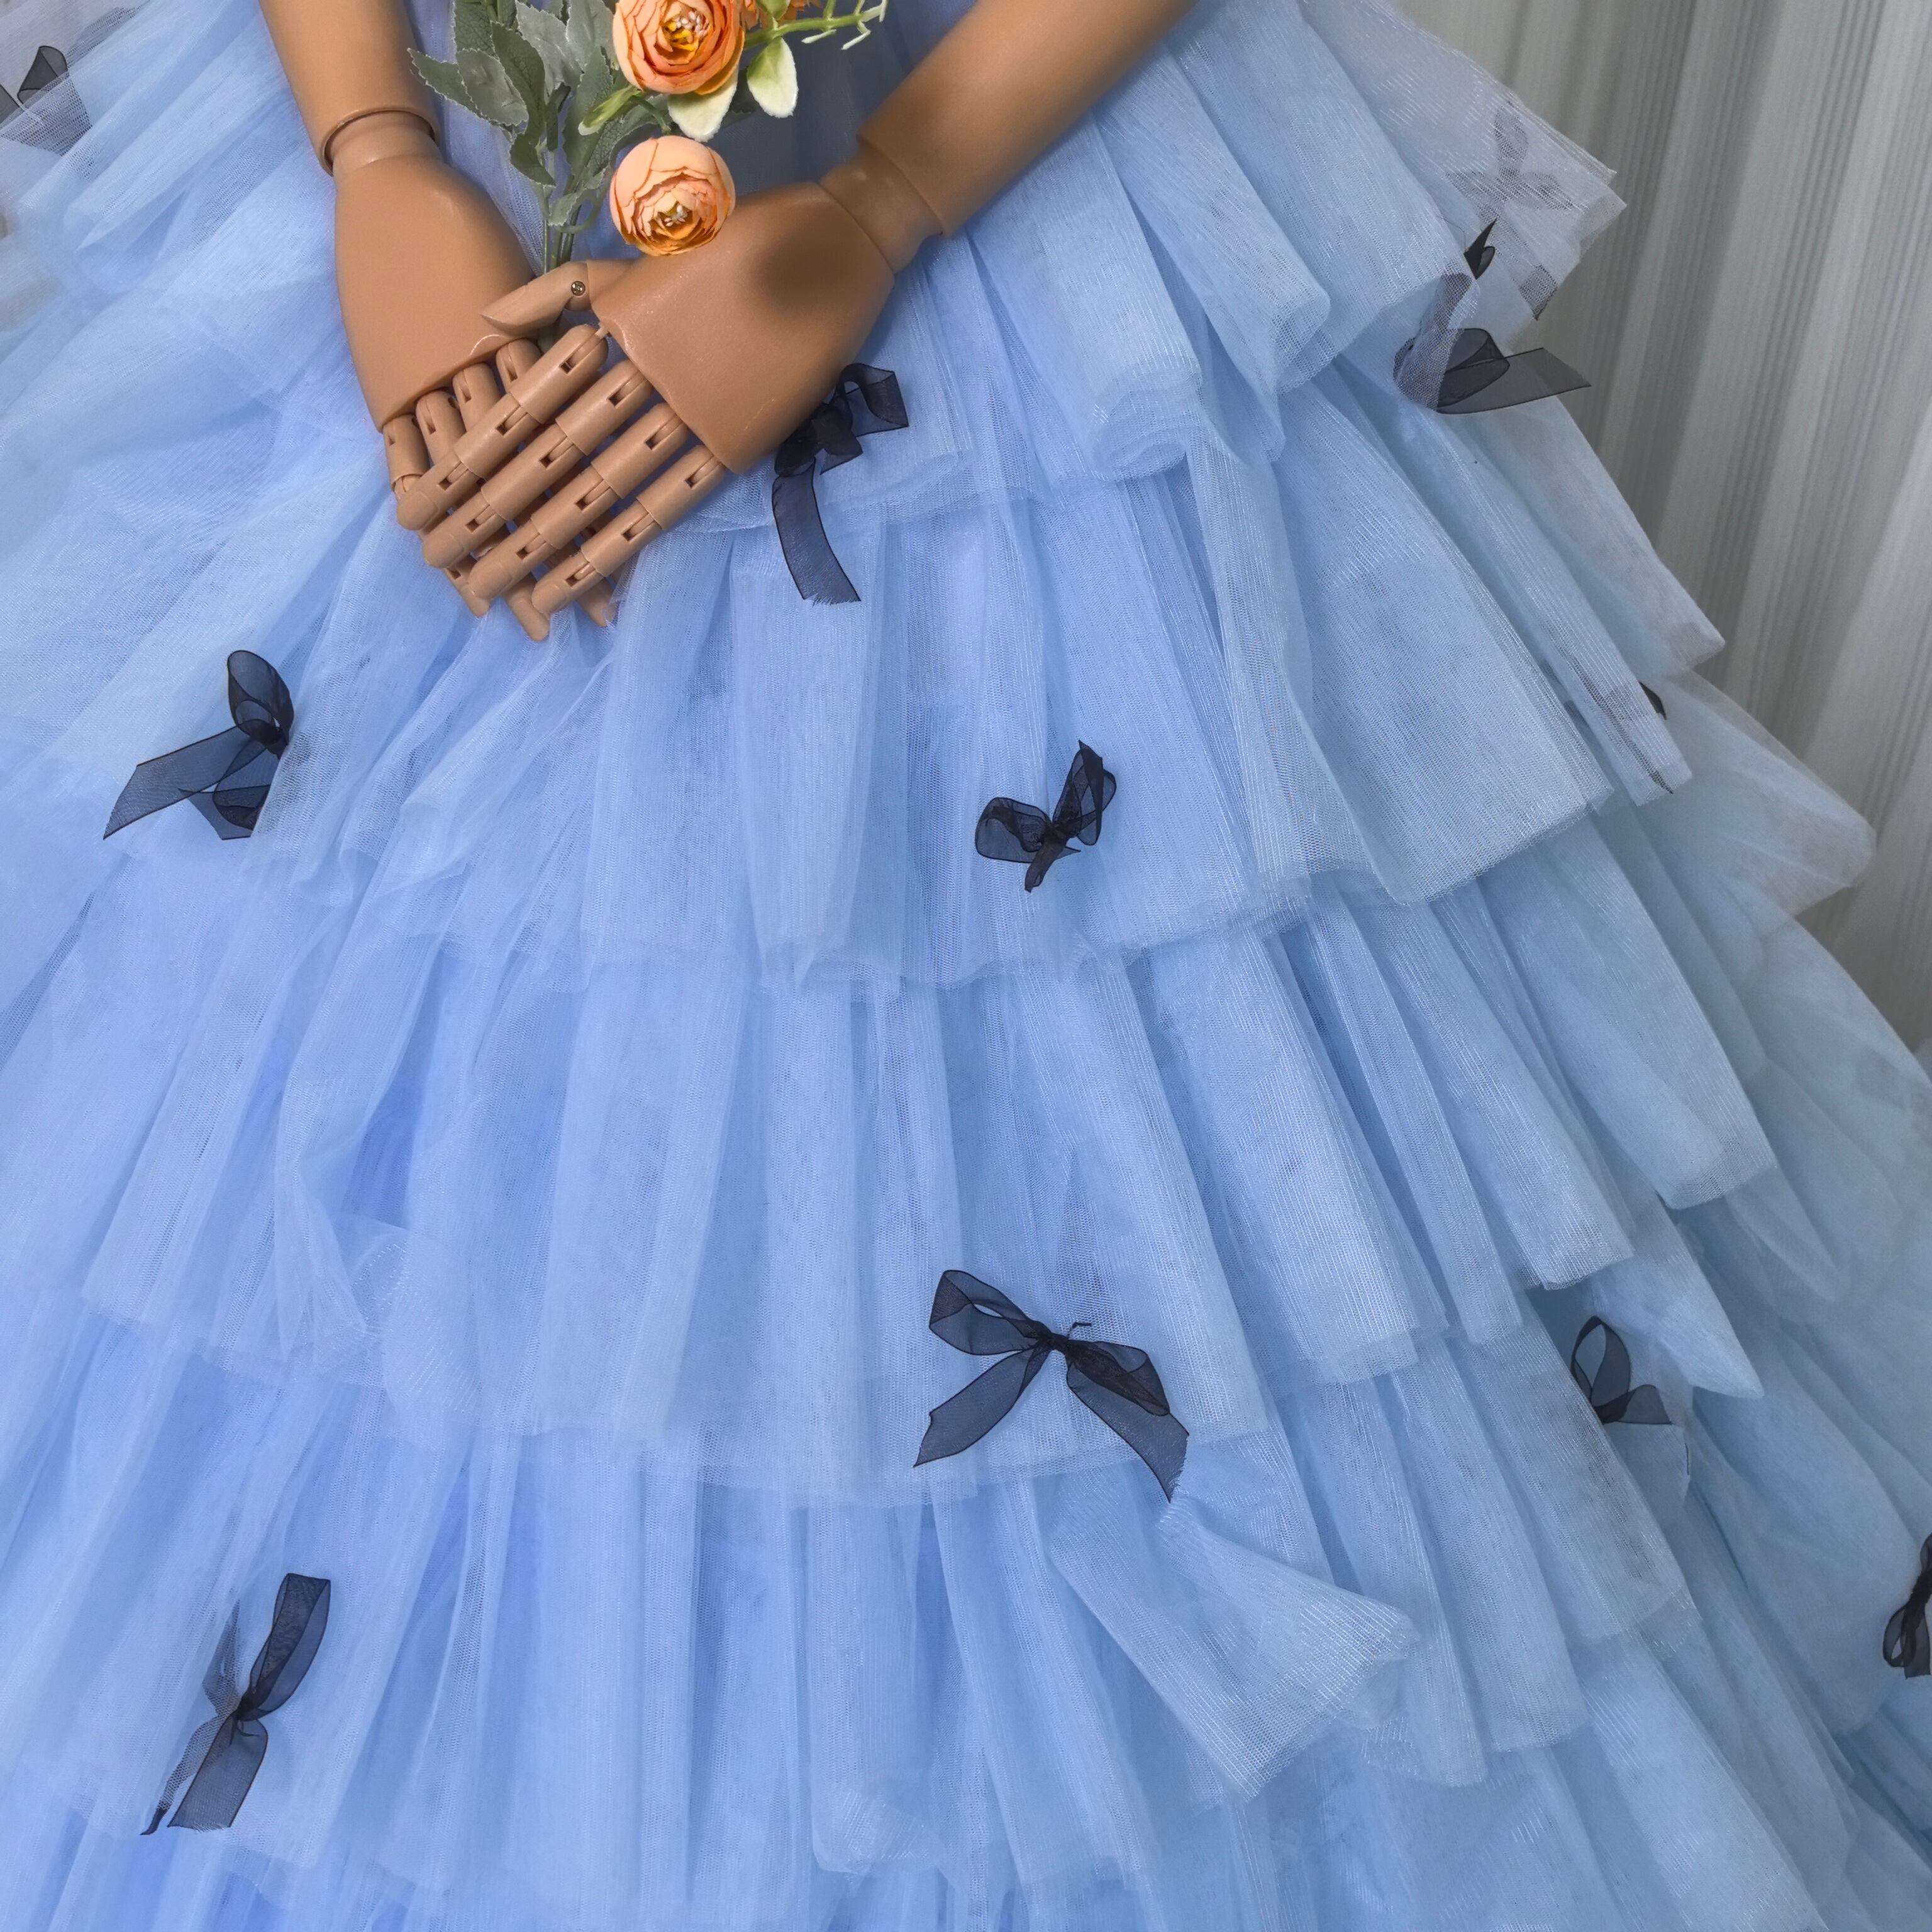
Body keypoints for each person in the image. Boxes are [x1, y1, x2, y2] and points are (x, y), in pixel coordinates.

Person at [2, 0, 1930, 1925]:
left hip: (1024, 173)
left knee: (1137, 1141)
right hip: (424, 154)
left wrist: (884, 197)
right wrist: (373, 147)